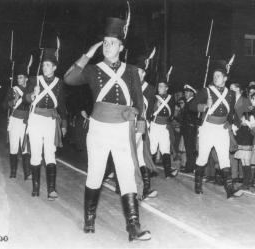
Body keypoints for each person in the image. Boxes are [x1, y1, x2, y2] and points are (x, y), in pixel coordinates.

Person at [64, 17, 151, 241]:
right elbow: (69, 78)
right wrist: (88, 53)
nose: (107, 45)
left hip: (122, 128)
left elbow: (139, 102)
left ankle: (133, 226)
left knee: (126, 176)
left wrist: (139, 124)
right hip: (99, 129)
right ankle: (89, 218)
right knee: (95, 173)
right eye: (105, 42)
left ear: (122, 48)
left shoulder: (131, 70)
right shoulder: (93, 70)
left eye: (112, 42)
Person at [189, 60, 242, 198]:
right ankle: (198, 184)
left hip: (222, 130)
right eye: (214, 75)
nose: (215, 77)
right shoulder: (206, 90)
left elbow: (231, 113)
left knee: (224, 158)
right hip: (208, 128)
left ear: (225, 78)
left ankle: (229, 189)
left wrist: (231, 123)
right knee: (203, 158)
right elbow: (192, 106)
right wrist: (204, 105)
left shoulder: (230, 94)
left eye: (218, 75)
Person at [24, 48, 67, 200]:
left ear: (54, 67)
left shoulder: (59, 83)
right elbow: (26, 99)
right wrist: (32, 94)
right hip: (35, 119)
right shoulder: (34, 80)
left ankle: (51, 189)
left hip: (50, 121)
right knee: (36, 153)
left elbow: (61, 105)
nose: (45, 68)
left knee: (50, 153)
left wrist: (64, 124)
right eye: (43, 65)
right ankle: (35, 188)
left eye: (48, 65)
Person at [133, 53, 157, 199]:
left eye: (140, 72)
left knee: (140, 155)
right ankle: (124, 185)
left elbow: (147, 111)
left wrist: (143, 129)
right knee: (127, 155)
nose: (138, 75)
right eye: (135, 72)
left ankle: (145, 187)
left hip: (140, 124)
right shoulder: (127, 86)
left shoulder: (150, 89)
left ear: (144, 73)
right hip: (126, 124)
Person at [146, 72, 178, 178]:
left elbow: (172, 113)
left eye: (161, 86)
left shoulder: (171, 98)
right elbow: (149, 112)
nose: (159, 88)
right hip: (155, 126)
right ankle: (150, 170)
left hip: (164, 127)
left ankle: (168, 172)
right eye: (158, 86)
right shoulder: (154, 98)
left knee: (165, 148)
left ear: (166, 88)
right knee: (152, 148)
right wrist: (156, 106)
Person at [6, 64, 31, 180]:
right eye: (18, 78)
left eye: (21, 77)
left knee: (25, 148)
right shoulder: (13, 90)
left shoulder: (31, 90)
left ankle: (27, 173)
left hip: (27, 121)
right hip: (15, 121)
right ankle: (13, 172)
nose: (19, 79)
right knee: (14, 147)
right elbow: (4, 105)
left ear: (26, 78)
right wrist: (13, 101)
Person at [234, 111, 254, 189]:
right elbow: (238, 138)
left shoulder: (249, 127)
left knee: (247, 164)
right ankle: (245, 182)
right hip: (242, 147)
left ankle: (247, 182)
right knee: (243, 164)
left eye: (242, 117)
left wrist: (236, 132)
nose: (241, 119)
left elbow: (250, 137)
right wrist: (235, 132)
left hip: (247, 148)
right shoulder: (241, 126)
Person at [180, 84, 197, 173]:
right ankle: (189, 165)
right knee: (188, 148)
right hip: (186, 129)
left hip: (190, 129)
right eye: (185, 92)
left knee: (190, 149)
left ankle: (190, 167)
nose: (186, 94)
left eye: (188, 92)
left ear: (192, 93)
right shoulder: (187, 102)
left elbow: (193, 117)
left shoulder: (193, 102)